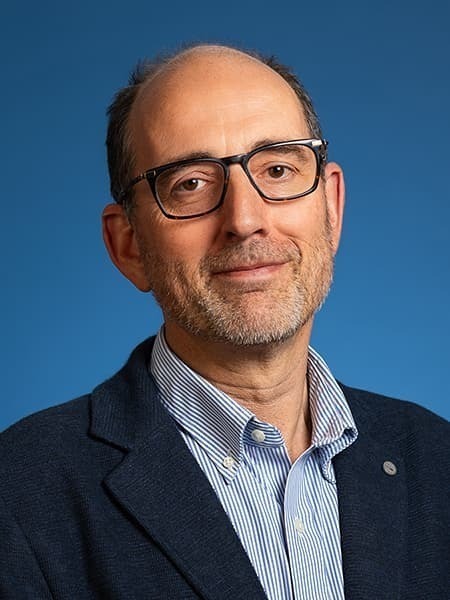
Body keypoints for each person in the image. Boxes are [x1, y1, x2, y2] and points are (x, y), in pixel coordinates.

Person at [0, 44, 448, 600]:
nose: (245, 219)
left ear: (331, 207)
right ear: (129, 245)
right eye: (190, 183)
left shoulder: (437, 460)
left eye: (278, 169)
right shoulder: (19, 493)